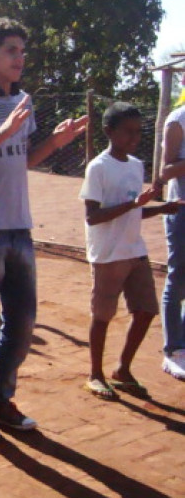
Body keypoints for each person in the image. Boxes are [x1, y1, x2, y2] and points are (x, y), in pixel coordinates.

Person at [0, 18, 88, 442]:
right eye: (11, 51)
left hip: (18, 227)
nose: (19, 59)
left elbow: (22, 160)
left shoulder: (24, 100)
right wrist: (1, 132)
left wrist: (56, 143)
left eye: (22, 52)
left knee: (22, 322)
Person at [80, 103, 176, 400]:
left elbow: (133, 212)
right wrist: (135, 205)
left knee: (146, 310)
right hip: (108, 254)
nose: (134, 138)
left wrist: (160, 209)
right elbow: (92, 216)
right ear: (110, 132)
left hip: (135, 250)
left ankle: (122, 369)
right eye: (128, 132)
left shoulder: (136, 165)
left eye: (138, 132)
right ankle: (95, 374)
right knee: (102, 316)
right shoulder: (98, 167)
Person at [159, 95, 185, 381]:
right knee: (177, 278)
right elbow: (166, 171)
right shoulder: (178, 120)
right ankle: (173, 351)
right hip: (181, 211)